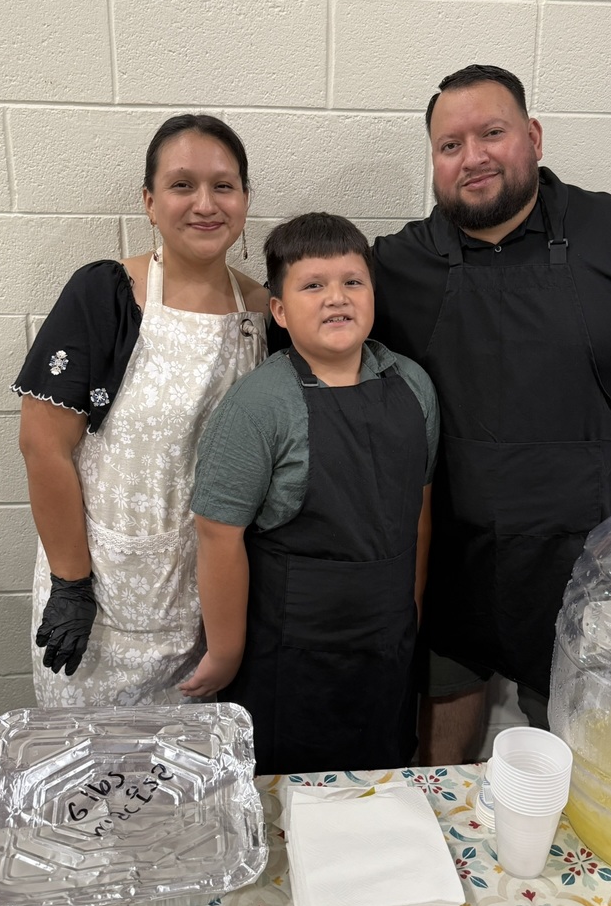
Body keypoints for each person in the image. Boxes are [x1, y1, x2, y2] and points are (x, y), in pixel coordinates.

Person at [371, 65, 611, 763]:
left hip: (591, 559)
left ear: (533, 137)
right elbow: (311, 309)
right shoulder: (397, 263)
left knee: (585, 753)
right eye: (450, 145)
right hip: (450, 561)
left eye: (492, 133)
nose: (474, 157)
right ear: (433, 162)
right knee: (439, 746)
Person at [13, 114, 268, 707]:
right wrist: (71, 584)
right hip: (97, 604)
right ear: (150, 202)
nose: (205, 203)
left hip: (205, 609)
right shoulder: (105, 295)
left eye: (223, 186)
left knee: (184, 786)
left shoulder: (261, 312)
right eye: (182, 185)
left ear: (245, 200)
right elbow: (42, 445)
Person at [181, 213, 439, 775]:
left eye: (353, 281)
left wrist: (411, 606)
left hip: (387, 646)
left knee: (379, 777)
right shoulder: (259, 406)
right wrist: (225, 652)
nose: (336, 298)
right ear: (278, 309)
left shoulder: (415, 387)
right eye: (312, 285)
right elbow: (217, 535)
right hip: (290, 655)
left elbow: (419, 508)